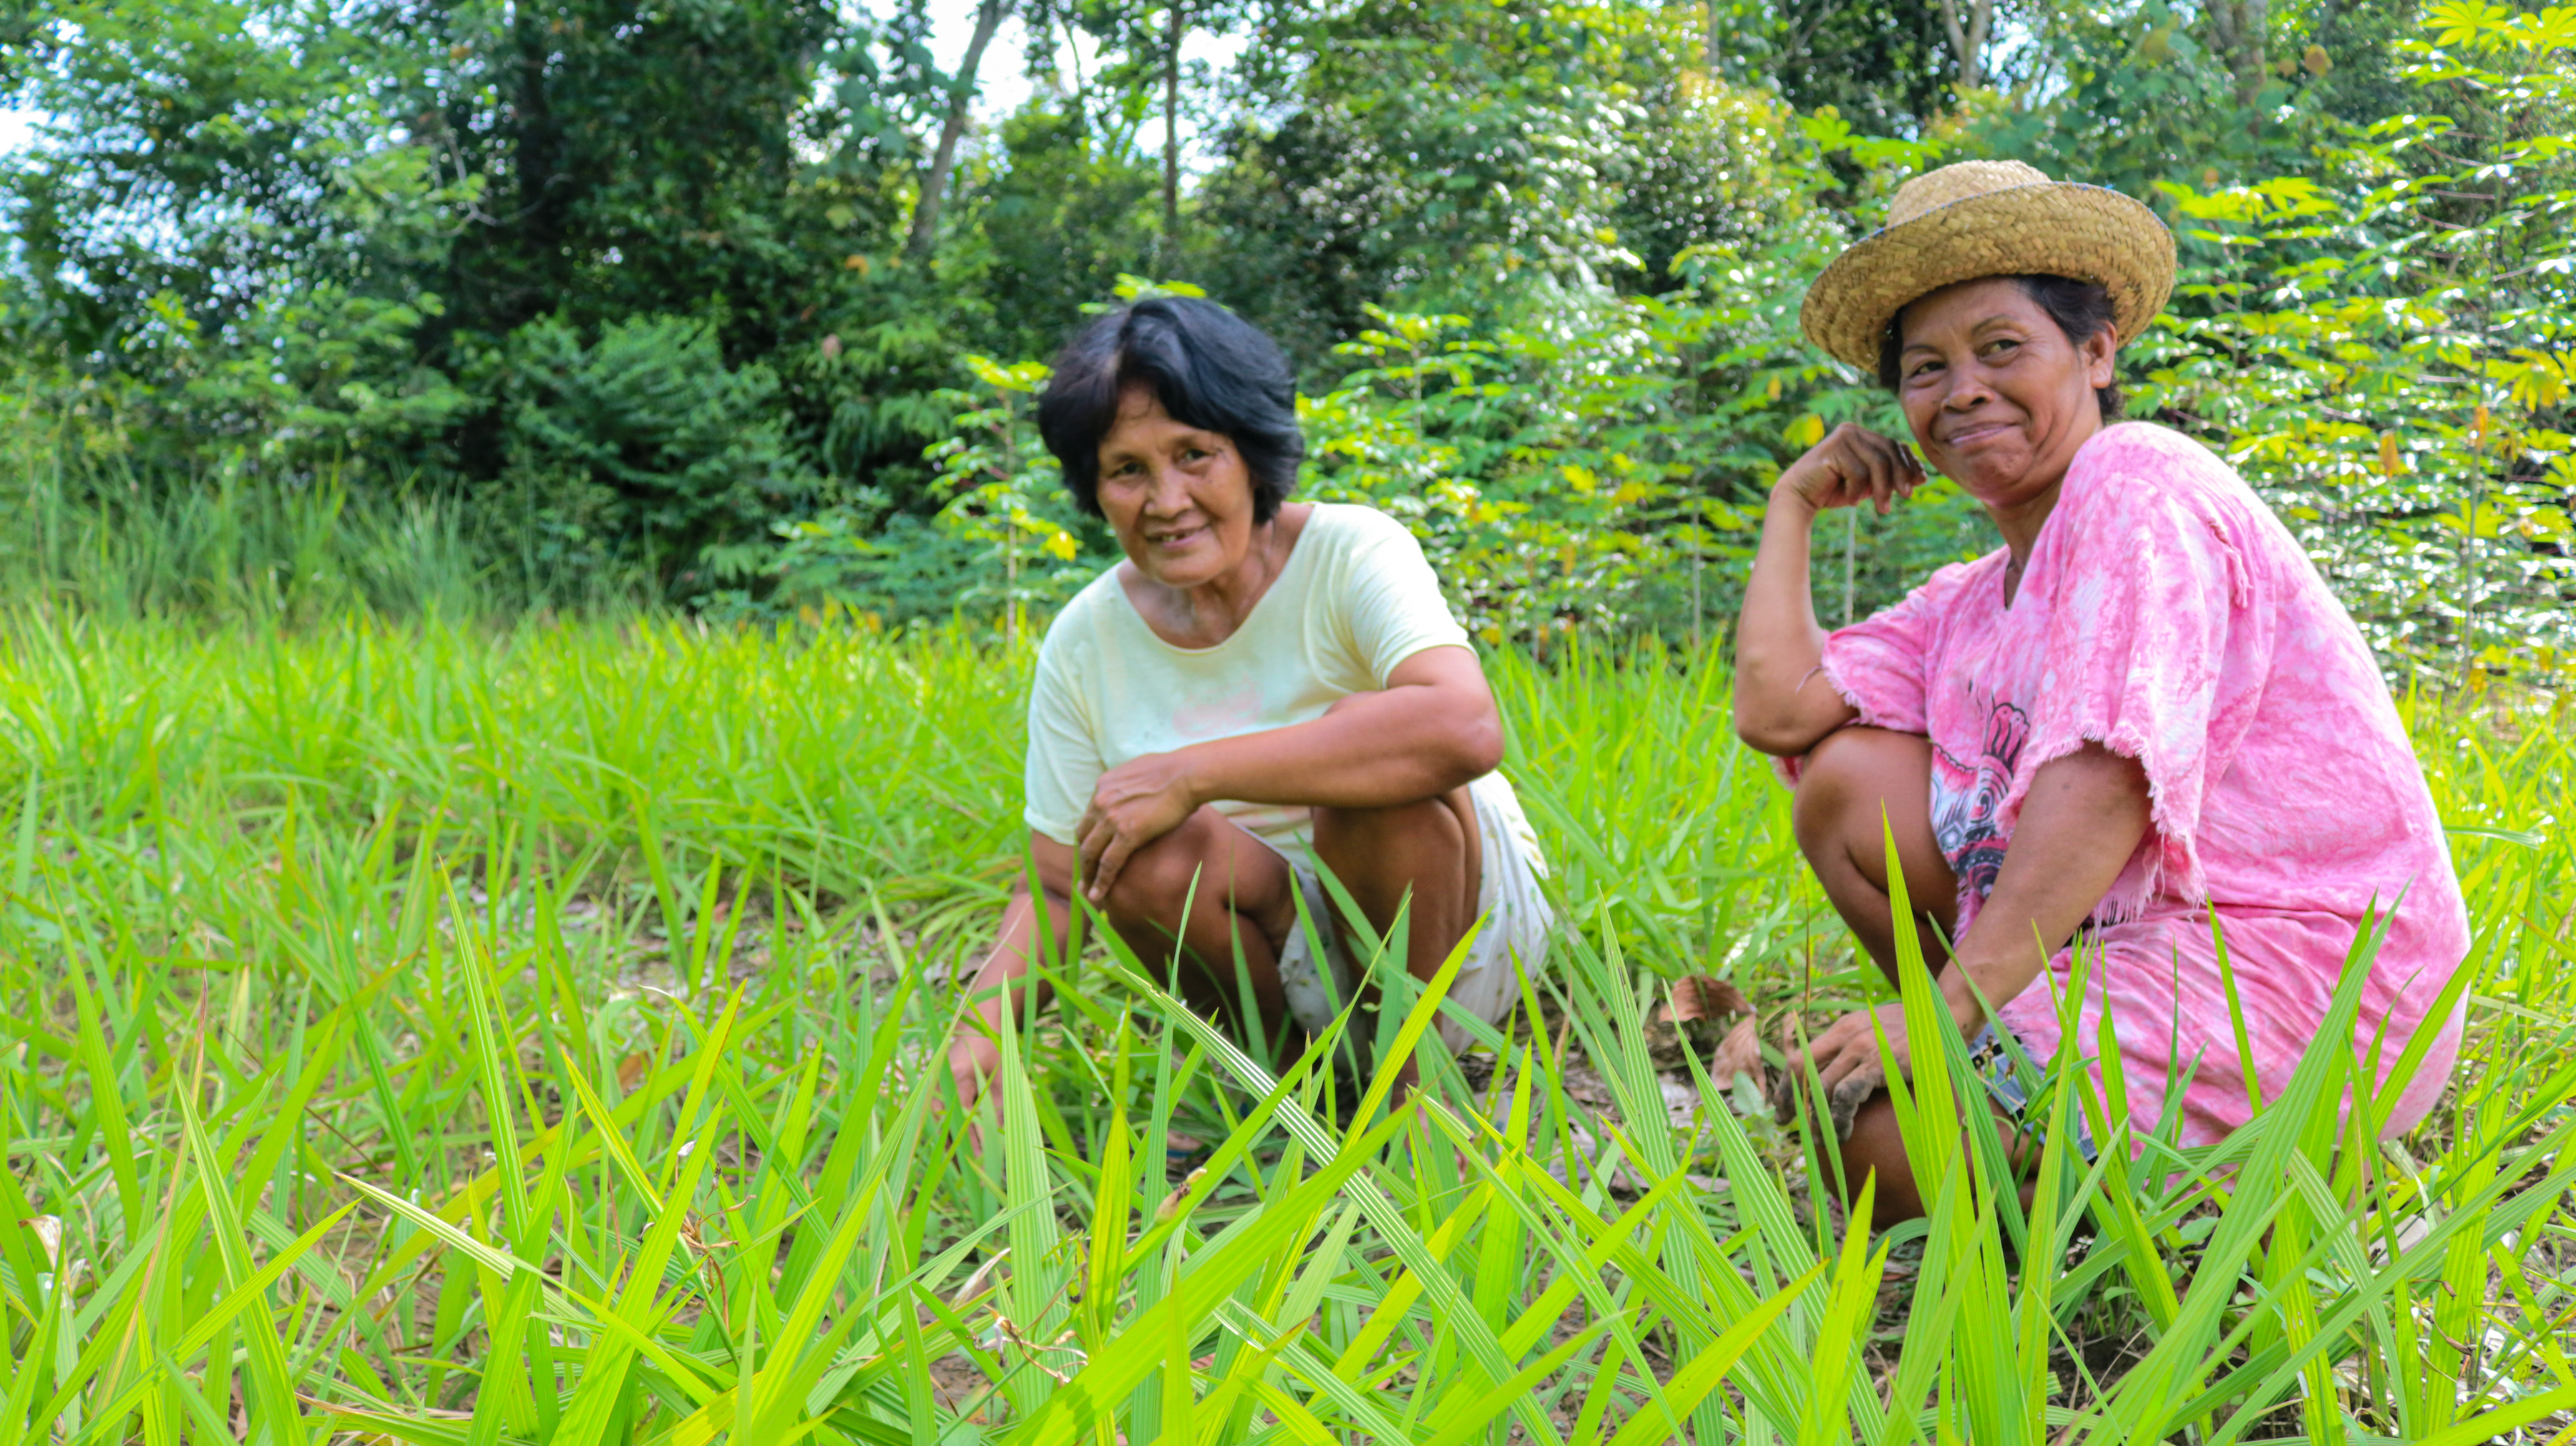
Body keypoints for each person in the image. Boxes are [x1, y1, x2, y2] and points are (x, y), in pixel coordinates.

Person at [1734, 160, 2469, 1224]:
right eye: (1927, 368)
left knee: (1880, 1145)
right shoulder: (1967, 602)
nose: (1963, 389)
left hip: (2299, 964)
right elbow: (1778, 714)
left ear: (2095, 352)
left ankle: (2237, 1165)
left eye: (2001, 347)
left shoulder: (2137, 480)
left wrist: (1942, 1009)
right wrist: (1793, 503)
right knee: (1847, 780)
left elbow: (2109, 772)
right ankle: (2038, 1091)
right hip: (2123, 951)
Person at [940, 295, 1554, 1130]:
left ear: (1252, 452)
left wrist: (1193, 774)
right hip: (1278, 950)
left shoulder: (1351, 551)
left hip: (1457, 934)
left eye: (1195, 455)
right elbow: (1056, 886)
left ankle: (1414, 1097)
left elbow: (1463, 726)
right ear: (1096, 490)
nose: (1167, 500)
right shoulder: (1087, 638)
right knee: (1136, 850)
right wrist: (972, 1045)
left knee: (1368, 762)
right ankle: (1292, 1091)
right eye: (1128, 470)